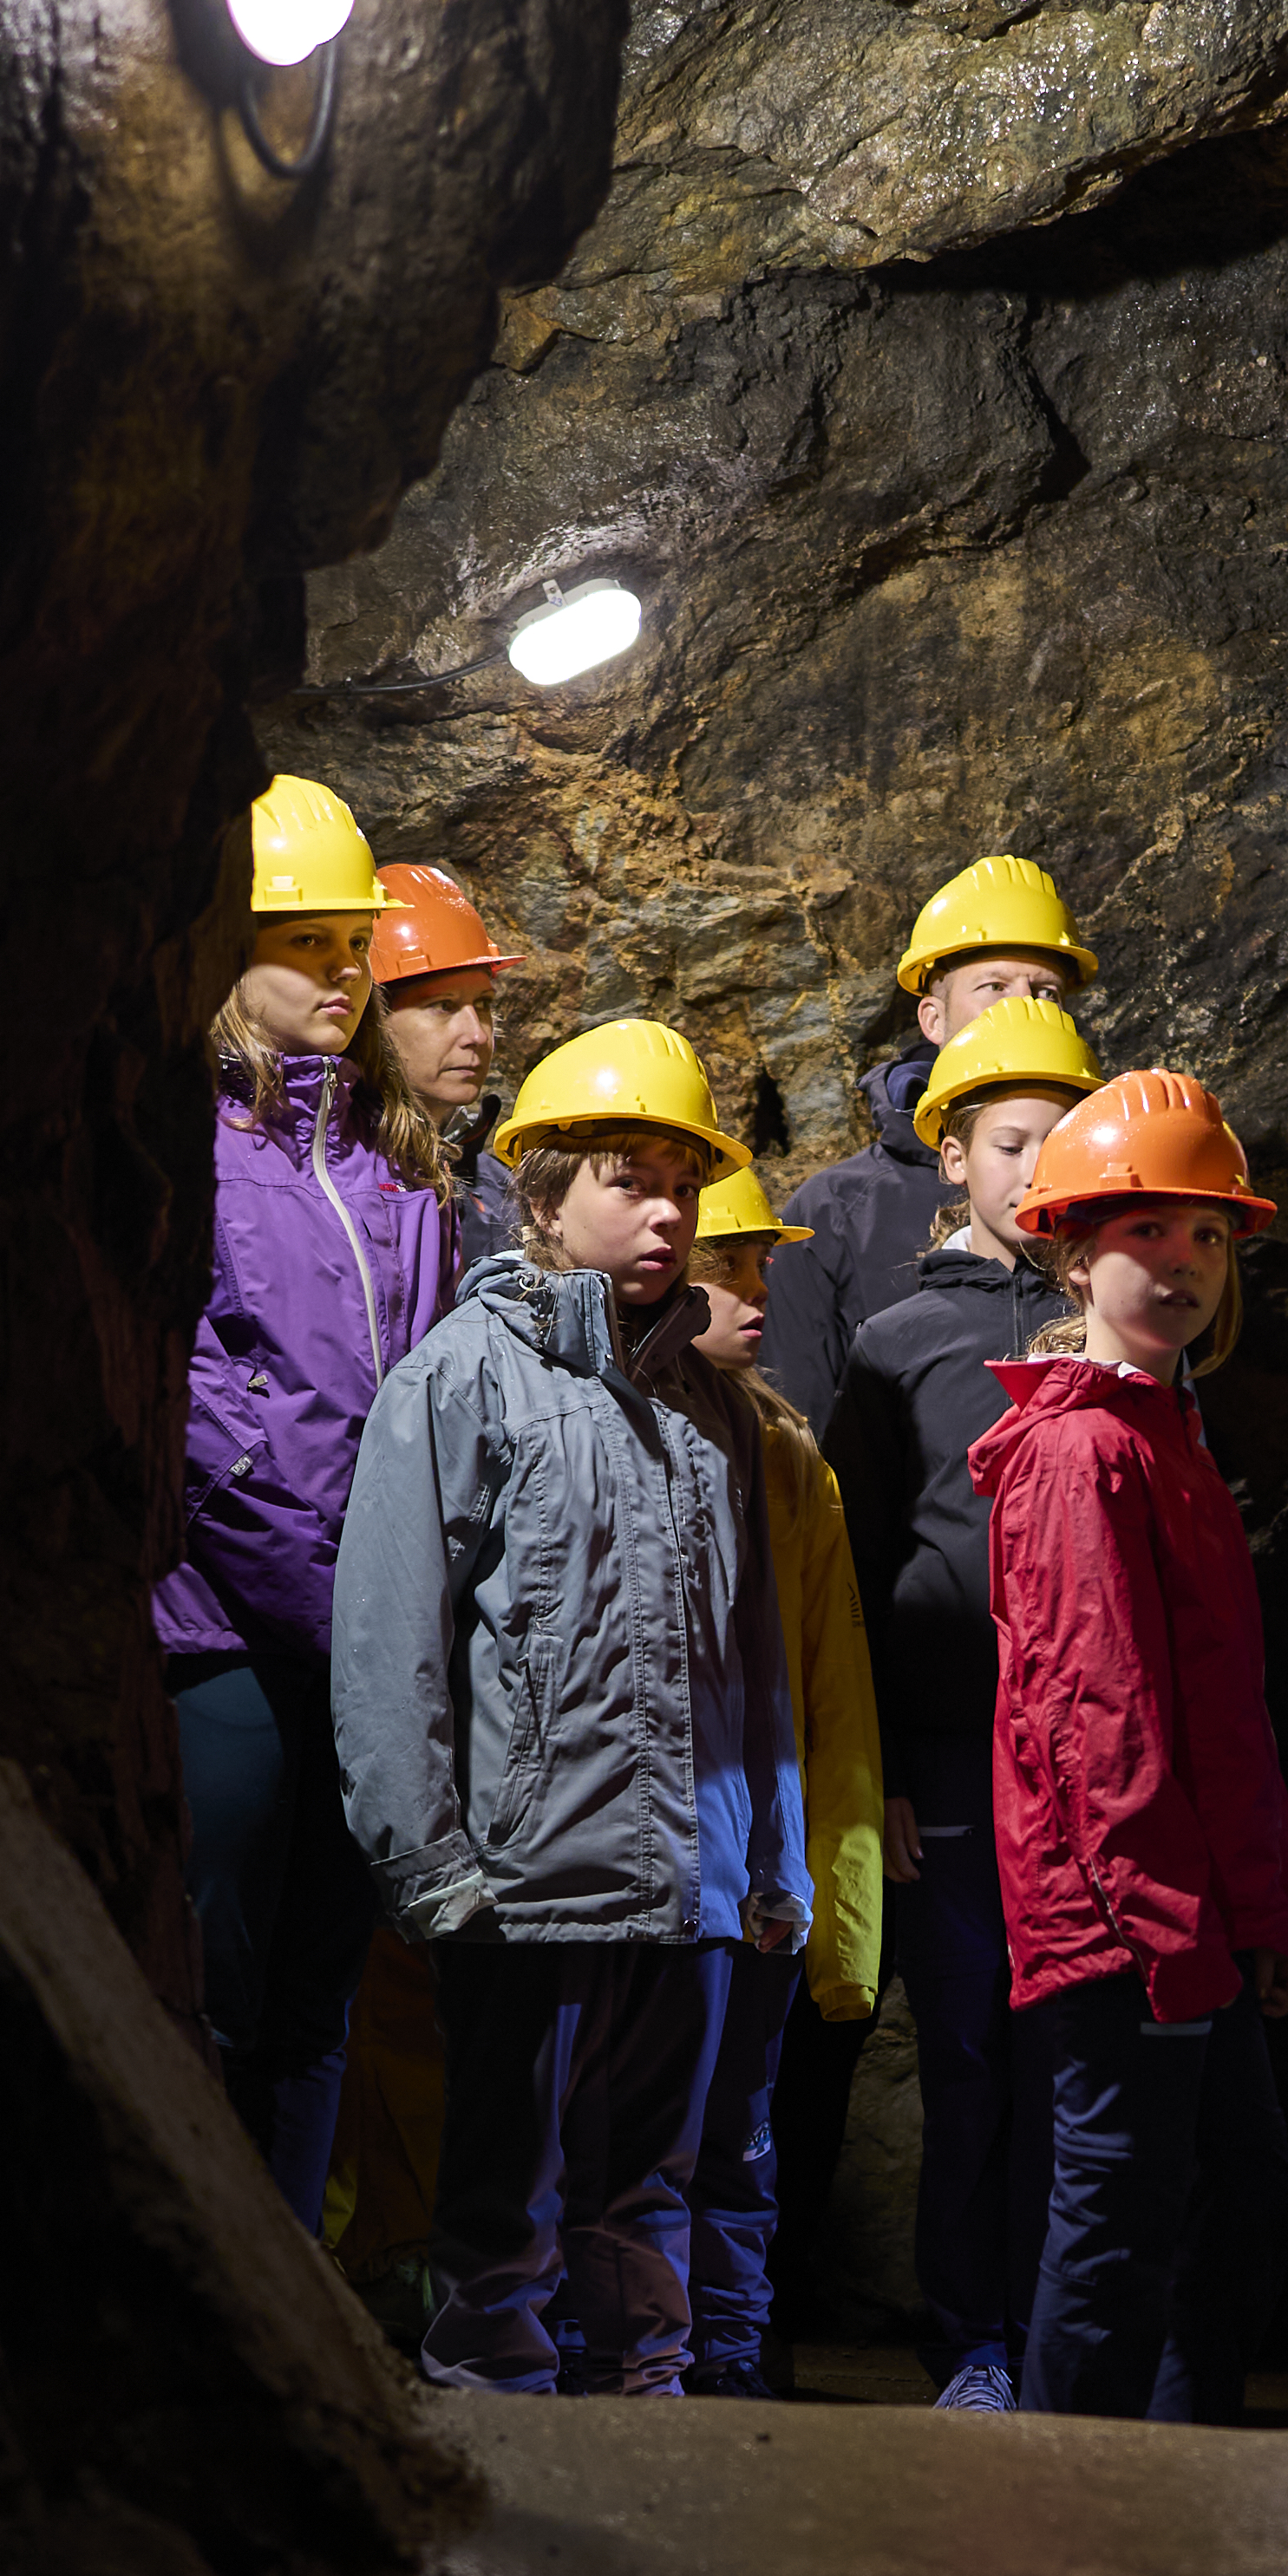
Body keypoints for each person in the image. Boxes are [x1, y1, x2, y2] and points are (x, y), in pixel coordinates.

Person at [330, 1019, 809, 2397]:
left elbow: (751, 1666)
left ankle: (645, 2459)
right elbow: (389, 1639)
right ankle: (509, 2498)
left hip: (689, 1890)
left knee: (650, 2202)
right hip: (535, 1886)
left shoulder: (710, 1412)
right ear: (539, 1195)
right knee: (504, 2220)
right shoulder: (460, 1381)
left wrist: (765, 1862)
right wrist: (429, 1866)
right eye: (626, 1176)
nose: (667, 1209)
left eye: (681, 1180)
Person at [974, 1073, 1288, 2422]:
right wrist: (1174, 1938)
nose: (1181, 1267)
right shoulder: (1079, 1454)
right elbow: (1095, 1717)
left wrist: (1260, 1918)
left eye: (1206, 1238)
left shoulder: (1165, 1433)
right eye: (1146, 1235)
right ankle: (1075, 2530)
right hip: (1123, 1923)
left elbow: (1220, 1713)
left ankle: (1176, 2492)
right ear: (1074, 1249)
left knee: (1235, 2202)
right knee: (1116, 2228)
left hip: (1190, 1920)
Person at [154, 774, 454, 2229]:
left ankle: (291, 2301)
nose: (342, 972)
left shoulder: (401, 1171)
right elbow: (202, 1408)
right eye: (307, 943)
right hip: (231, 1639)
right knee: (217, 1985)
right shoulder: (192, 1152)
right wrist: (347, 1610)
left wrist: (412, 1606)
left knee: (318, 1996)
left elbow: (436, 1409)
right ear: (229, 950)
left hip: (365, 1650)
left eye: (354, 944)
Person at [820, 997, 1103, 2410]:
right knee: (975, 2055)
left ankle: (1062, 2334)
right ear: (953, 1158)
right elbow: (858, 1573)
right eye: (1008, 1139)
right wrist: (884, 1776)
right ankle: (976, 2338)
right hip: (949, 1756)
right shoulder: (899, 1344)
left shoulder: (1110, 1330)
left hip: (1083, 1769)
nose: (1034, 1164)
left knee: (1075, 2057)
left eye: (1059, 1138)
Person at [677, 1166, 886, 2399]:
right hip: (651, 1867)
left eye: (761, 1264)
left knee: (738, 2149)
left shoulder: (787, 1453)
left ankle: (731, 2371)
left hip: (754, 1860)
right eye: (730, 1265)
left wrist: (822, 1879)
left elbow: (827, 1690)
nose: (759, 1289)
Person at [760, 852, 1100, 1428]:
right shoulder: (834, 1214)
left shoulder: (1112, 1198)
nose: (1020, 1008)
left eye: (1045, 992)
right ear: (932, 1019)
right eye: (993, 986)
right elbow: (802, 1437)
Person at [369, 860, 520, 1268]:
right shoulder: (338, 1181)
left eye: (484, 1005)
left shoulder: (500, 1190)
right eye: (443, 1006)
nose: (477, 1034)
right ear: (373, 1017)